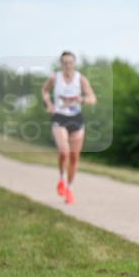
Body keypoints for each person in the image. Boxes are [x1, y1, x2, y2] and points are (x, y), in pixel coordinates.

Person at [41, 51, 97, 204]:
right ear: (61, 64)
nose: (67, 65)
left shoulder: (81, 79)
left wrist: (82, 99)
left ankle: (69, 189)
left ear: (75, 64)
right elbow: (44, 91)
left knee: (74, 157)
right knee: (64, 152)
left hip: (76, 119)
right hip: (59, 117)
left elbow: (93, 98)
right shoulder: (55, 78)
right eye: (65, 63)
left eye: (70, 62)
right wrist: (49, 105)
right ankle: (61, 179)